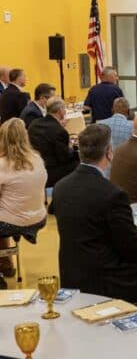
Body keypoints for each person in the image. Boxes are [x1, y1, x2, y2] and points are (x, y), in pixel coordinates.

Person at [53, 124, 137, 340]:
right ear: (109, 153)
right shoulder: (113, 194)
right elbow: (129, 248)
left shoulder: (61, 187)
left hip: (72, 274)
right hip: (110, 277)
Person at [0, 119, 47, 288]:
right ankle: (7, 265)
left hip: (10, 222)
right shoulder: (37, 159)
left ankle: (5, 267)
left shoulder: (3, 164)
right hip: (38, 217)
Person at [28, 97, 79, 187]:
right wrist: (75, 151)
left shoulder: (34, 124)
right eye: (64, 108)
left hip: (35, 167)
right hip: (52, 172)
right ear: (60, 111)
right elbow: (65, 157)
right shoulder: (59, 130)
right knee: (78, 163)